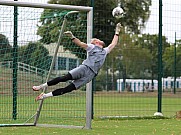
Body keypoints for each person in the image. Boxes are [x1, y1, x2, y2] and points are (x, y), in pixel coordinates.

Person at [33, 23, 122, 101]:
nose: (100, 40)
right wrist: (72, 37)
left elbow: (113, 43)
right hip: (85, 68)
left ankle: (44, 96)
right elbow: (80, 44)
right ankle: (40, 86)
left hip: (91, 74)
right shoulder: (92, 47)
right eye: (97, 39)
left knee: (68, 89)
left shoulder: (105, 51)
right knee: (64, 78)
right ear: (96, 42)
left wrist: (117, 32)